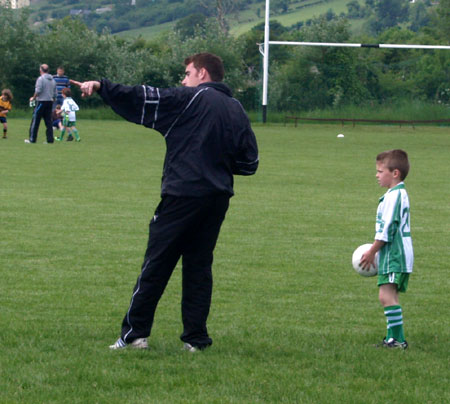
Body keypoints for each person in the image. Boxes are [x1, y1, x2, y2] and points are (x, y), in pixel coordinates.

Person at [72, 52, 259, 351]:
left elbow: (145, 97)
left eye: (186, 74)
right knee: (199, 268)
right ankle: (196, 340)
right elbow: (250, 163)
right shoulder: (237, 110)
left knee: (156, 264)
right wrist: (215, 164)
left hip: (182, 195)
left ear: (202, 74)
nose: (183, 80)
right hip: (217, 199)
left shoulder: (189, 100)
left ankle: (134, 335)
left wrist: (101, 87)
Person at [360, 149, 413, 350]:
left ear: (395, 173)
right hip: (393, 253)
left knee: (386, 296)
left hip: (395, 253)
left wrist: (372, 251)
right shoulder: (394, 194)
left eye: (381, 171)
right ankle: (392, 338)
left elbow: (389, 227)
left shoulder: (395, 196)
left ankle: (398, 340)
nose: (377, 175)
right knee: (390, 295)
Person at [25, 64, 57, 144]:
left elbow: (38, 90)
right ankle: (50, 140)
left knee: (35, 120)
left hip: (41, 102)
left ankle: (32, 139)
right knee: (48, 121)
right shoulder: (53, 80)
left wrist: (33, 97)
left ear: (41, 70)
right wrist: (52, 99)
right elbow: (55, 93)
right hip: (50, 102)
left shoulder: (40, 79)